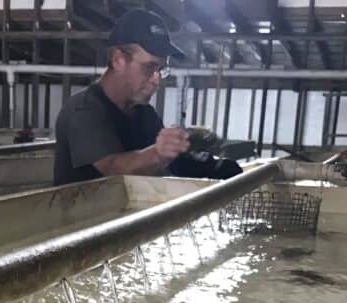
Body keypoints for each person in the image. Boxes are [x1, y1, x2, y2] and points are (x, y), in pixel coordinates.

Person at [53, 9, 241, 186]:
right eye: (148, 68)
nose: (156, 80)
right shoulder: (85, 110)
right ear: (118, 60)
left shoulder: (144, 114)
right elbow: (114, 170)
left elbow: (169, 165)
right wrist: (158, 153)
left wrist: (213, 166)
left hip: (128, 218)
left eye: (160, 70)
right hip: (85, 219)